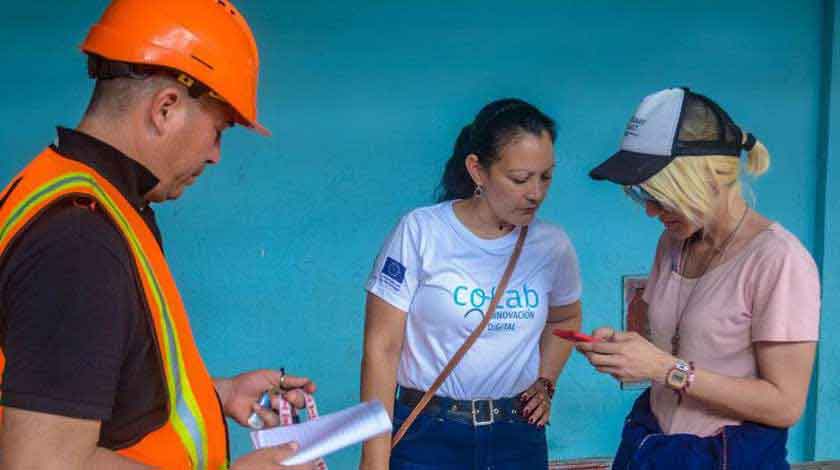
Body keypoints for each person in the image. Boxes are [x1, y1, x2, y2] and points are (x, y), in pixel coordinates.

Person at [0, 1, 318, 468]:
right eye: (219, 129)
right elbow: (40, 463)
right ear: (166, 108)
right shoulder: (81, 242)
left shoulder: (70, 192)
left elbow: (69, 388)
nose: (215, 155)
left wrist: (216, 394)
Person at [581, 87, 820, 468]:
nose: (650, 211)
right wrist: (624, 352)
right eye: (643, 195)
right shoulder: (672, 242)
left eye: (660, 196)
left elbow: (785, 405)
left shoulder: (779, 260)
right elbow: (683, 345)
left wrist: (661, 368)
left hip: (727, 456)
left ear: (706, 179)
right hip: (653, 445)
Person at [359, 98, 583, 469]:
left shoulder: (552, 246)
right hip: (429, 434)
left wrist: (546, 382)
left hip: (517, 436)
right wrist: (375, 459)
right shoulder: (421, 231)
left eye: (546, 177)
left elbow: (565, 319)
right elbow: (381, 348)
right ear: (478, 171)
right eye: (520, 179)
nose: (536, 193)